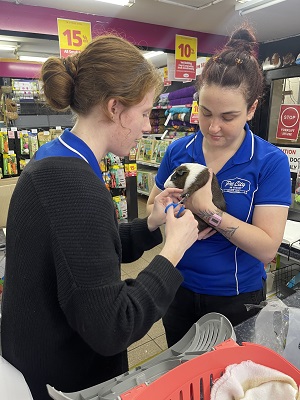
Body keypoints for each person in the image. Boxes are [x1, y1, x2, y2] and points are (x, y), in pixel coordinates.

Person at [1, 35, 200, 399]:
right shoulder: (74, 186)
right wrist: (173, 252)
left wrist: (152, 225)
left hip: (38, 360)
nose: (146, 127)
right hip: (64, 381)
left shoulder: (55, 157)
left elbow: (86, 254)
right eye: (143, 114)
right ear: (114, 108)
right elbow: (113, 325)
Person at [147, 24, 292, 347]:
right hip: (177, 289)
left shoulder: (268, 162)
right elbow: (151, 209)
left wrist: (208, 212)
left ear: (252, 109)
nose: (213, 127)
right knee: (180, 377)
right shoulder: (179, 151)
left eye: (228, 117)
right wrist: (168, 211)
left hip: (236, 299)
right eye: (206, 112)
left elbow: (268, 248)